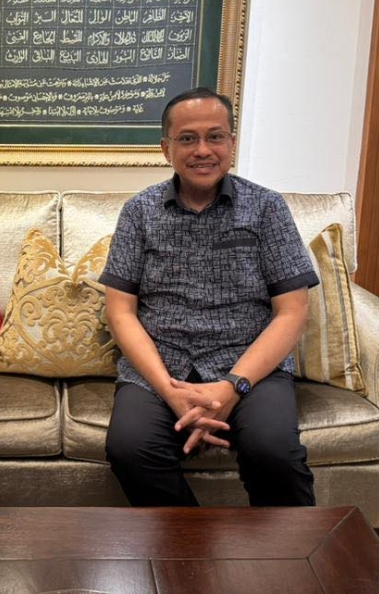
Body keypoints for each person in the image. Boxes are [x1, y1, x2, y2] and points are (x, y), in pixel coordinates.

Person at [101, 87, 319, 508]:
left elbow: (292, 313)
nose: (203, 150)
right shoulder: (139, 212)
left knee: (273, 452)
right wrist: (170, 391)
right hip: (161, 366)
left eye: (215, 137)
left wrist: (232, 387)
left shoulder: (267, 209)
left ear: (232, 144)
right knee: (129, 449)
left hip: (249, 367)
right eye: (187, 139)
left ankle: (289, 563)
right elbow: (121, 312)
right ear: (166, 149)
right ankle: (195, 550)